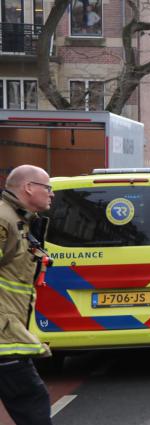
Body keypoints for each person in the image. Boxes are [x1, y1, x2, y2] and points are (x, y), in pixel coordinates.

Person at [0, 165, 54, 425]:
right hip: (4, 334)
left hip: (9, 329)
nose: (51, 194)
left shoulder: (19, 219)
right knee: (32, 401)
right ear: (28, 188)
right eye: (47, 187)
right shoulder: (4, 218)